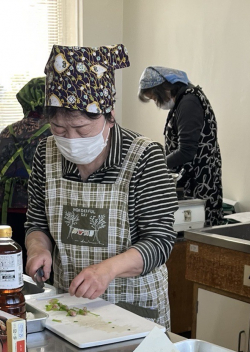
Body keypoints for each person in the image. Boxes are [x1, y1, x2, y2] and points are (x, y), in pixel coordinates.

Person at [24, 45, 177, 328]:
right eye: (58, 128)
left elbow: (159, 241)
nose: (70, 138)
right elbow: (37, 223)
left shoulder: (145, 157)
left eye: (82, 129)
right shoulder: (45, 155)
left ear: (109, 115)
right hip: (70, 309)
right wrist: (38, 250)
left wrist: (106, 271)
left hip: (134, 311)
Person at [138, 65, 223, 225]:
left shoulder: (189, 102)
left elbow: (186, 151)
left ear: (164, 90)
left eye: (155, 98)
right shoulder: (183, 101)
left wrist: (155, 166)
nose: (156, 103)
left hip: (198, 184)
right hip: (192, 182)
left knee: (198, 242)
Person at [0, 76, 51, 253]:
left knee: (5, 263)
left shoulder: (6, 132)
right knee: (34, 265)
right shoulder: (53, 132)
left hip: (0, 208)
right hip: (34, 210)